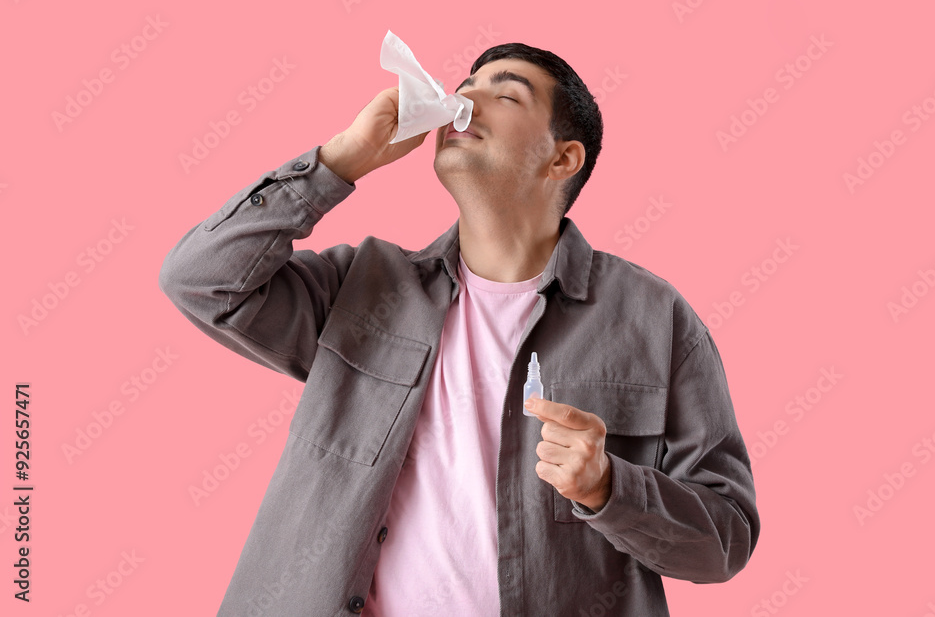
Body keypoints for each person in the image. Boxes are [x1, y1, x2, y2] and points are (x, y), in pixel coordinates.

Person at [158, 41, 760, 616]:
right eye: (465, 86)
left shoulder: (655, 319)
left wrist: (609, 488)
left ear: (562, 158)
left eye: (506, 93)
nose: (465, 101)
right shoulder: (361, 288)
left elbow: (725, 540)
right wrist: (341, 159)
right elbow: (200, 279)